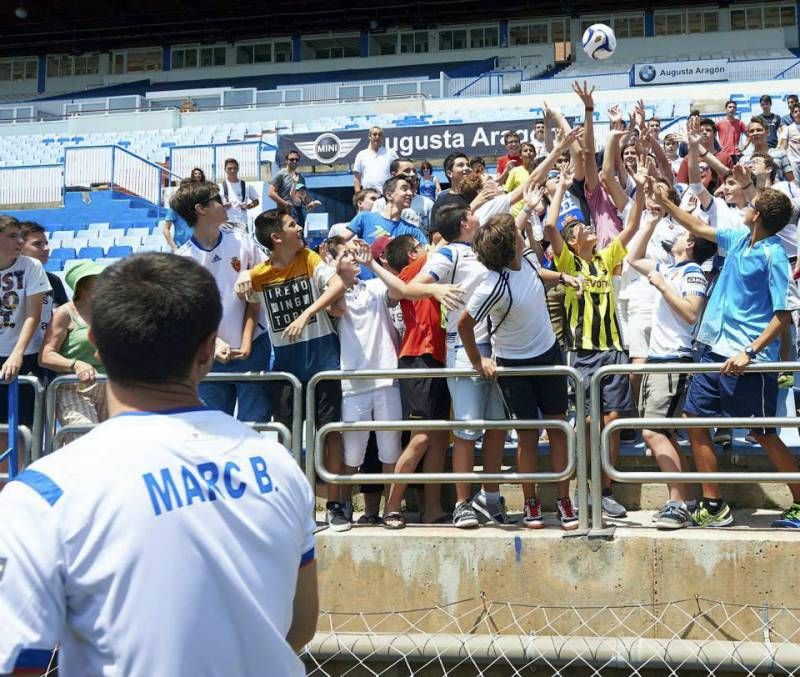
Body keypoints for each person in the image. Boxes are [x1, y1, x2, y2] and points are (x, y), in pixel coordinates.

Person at [0, 253, 318, 675]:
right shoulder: (279, 463)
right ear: (208, 349)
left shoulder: (45, 493)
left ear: (95, 342)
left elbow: (19, 663)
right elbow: (301, 626)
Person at [651, 182, 800, 529]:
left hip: (748, 361)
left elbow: (783, 315)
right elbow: (698, 227)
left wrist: (749, 352)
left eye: (752, 203)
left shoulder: (774, 255)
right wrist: (663, 202)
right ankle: (714, 505)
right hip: (713, 352)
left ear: (758, 215)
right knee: (695, 420)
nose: (746, 205)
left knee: (763, 434)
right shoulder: (737, 239)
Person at [460, 214, 580, 530]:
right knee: (527, 436)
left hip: (549, 355)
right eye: (516, 232)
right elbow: (463, 324)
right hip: (513, 366)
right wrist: (478, 361)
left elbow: (535, 273)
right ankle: (530, 502)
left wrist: (562, 278)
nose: (521, 233)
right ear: (511, 245)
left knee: (558, 428)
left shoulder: (525, 258)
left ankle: (564, 500)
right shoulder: (490, 287)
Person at [235, 208, 351, 531]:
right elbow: (247, 301)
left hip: (323, 361)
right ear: (276, 237)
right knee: (288, 439)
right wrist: (242, 279)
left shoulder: (309, 257)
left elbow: (337, 285)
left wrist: (306, 314)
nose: (299, 227)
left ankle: (336, 506)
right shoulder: (259, 274)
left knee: (329, 434)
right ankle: (296, 505)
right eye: (291, 224)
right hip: (285, 367)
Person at [546, 166, 643, 518]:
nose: (588, 229)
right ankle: (582, 486)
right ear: (572, 242)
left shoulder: (605, 259)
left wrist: (641, 188)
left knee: (613, 418)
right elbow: (547, 228)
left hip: (613, 351)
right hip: (583, 354)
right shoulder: (569, 263)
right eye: (581, 229)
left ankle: (604, 490)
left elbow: (631, 224)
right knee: (587, 422)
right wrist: (558, 187)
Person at [412, 204, 509, 527]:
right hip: (466, 347)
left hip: (499, 346)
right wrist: (434, 288)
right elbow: (413, 287)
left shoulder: (484, 248)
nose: (478, 213)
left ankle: (490, 498)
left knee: (497, 425)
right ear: (465, 221)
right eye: (472, 211)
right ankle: (461, 503)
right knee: (467, 429)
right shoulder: (450, 253)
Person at [625, 204, 715, 530]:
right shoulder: (669, 266)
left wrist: (663, 286)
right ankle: (685, 499)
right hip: (658, 359)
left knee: (652, 431)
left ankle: (677, 503)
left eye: (681, 233)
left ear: (690, 244)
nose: (675, 235)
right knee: (663, 432)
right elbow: (633, 259)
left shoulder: (692, 273)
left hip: (675, 359)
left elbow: (691, 313)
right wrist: (649, 221)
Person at [170, 181, 271, 424]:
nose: (224, 203)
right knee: (215, 430)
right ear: (200, 209)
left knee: (254, 427)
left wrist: (250, 274)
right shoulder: (183, 260)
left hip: (253, 348)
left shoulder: (240, 240)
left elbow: (265, 276)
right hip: (208, 357)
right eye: (216, 199)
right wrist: (213, 343)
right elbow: (186, 317)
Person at [381, 235, 450, 528]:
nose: (426, 250)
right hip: (417, 357)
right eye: (420, 247)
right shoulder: (413, 273)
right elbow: (442, 244)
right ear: (412, 255)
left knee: (438, 438)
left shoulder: (421, 269)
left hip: (437, 357)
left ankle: (432, 509)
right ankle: (392, 507)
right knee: (421, 436)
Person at [0, 216, 50, 462]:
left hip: (25, 355)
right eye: (12, 236)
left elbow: (33, 315)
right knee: (1, 431)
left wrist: (17, 353)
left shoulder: (30, 266)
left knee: (24, 428)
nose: (19, 241)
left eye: (20, 236)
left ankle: (20, 482)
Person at [38, 261, 107, 439]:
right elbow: (45, 355)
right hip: (74, 388)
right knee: (84, 438)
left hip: (110, 387)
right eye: (97, 278)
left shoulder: (111, 311)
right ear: (81, 285)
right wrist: (75, 364)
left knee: (110, 444)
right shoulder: (64, 313)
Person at [345, 176, 428, 279]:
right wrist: (359, 248)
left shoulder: (413, 230)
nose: (410, 193)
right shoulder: (365, 217)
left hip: (395, 289)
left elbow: (427, 254)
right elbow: (339, 242)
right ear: (389, 195)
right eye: (404, 189)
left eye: (410, 190)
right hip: (365, 286)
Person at [19, 222, 68, 359]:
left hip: (43, 355)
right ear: (19, 247)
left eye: (46, 243)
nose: (46, 248)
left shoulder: (54, 281)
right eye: (38, 244)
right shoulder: (7, 281)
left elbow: (65, 316)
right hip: (8, 354)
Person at [371, 158, 434, 234]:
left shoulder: (428, 203)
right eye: (407, 171)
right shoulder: (380, 204)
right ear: (393, 175)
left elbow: (434, 235)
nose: (412, 174)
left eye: (414, 171)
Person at [352, 126, 397, 193]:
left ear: (382, 138)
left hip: (387, 194)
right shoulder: (361, 155)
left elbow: (398, 171)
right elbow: (357, 178)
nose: (377, 136)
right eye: (375, 134)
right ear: (369, 137)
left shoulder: (390, 153)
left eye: (380, 135)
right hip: (368, 195)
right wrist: (358, 195)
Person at [220, 157, 260, 229]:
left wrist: (248, 206)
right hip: (225, 223)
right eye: (229, 168)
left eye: (234, 168)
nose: (232, 170)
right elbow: (213, 205)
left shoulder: (246, 185)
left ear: (238, 169)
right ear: (225, 169)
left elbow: (256, 201)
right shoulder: (220, 187)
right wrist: (222, 206)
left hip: (242, 222)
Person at [269, 150, 304, 221]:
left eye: (297, 160)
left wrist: (309, 203)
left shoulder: (301, 177)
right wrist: (285, 204)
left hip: (298, 213)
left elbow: (303, 196)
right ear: (286, 161)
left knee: (299, 232)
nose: (294, 161)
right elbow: (271, 193)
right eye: (292, 159)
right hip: (284, 214)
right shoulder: (281, 174)